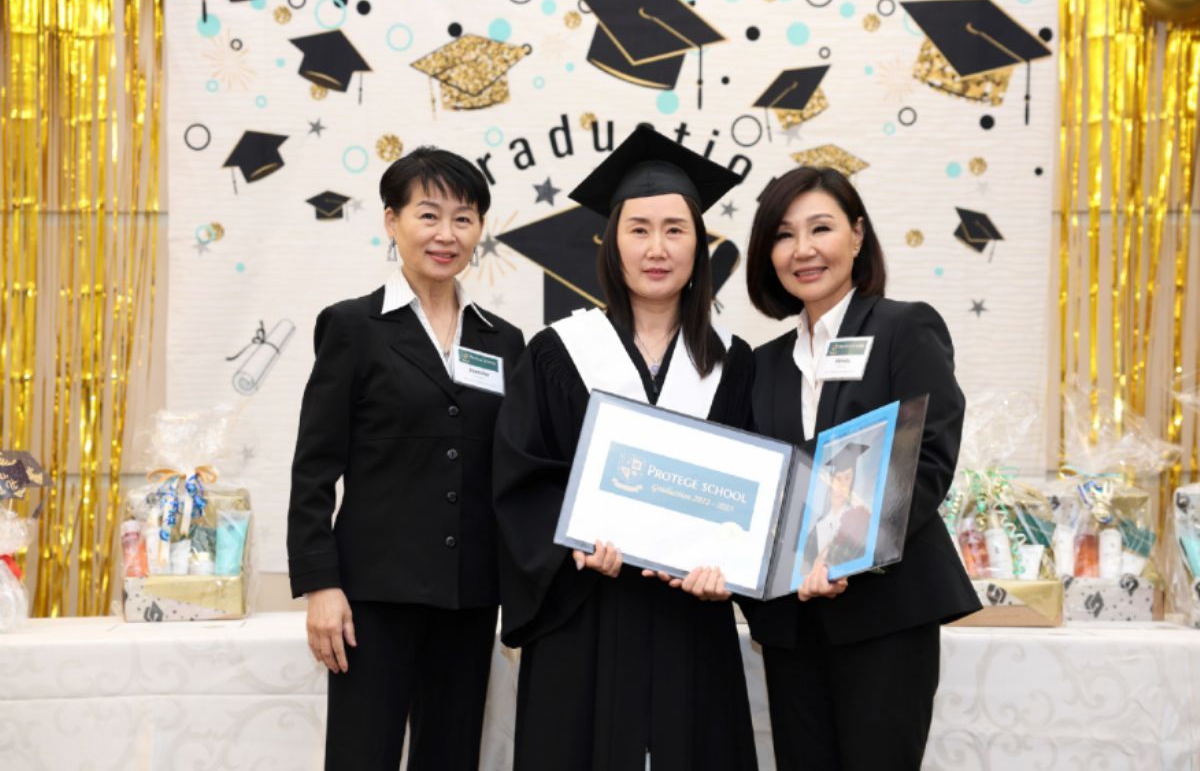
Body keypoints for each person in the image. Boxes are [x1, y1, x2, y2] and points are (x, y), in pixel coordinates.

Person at [492, 125, 758, 771]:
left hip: (692, 618)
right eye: (638, 229)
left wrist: (728, 567)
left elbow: (756, 496)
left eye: (675, 229)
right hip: (585, 615)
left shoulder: (736, 364)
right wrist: (573, 544)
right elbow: (519, 478)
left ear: (700, 245)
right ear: (612, 244)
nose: (656, 248)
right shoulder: (557, 353)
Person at [286, 147, 525, 770]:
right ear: (392, 221)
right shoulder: (352, 327)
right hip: (372, 598)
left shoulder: (504, 341)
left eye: (464, 218)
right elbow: (314, 468)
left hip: (470, 595)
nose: (447, 234)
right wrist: (320, 585)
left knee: (451, 757)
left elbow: (513, 469)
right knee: (362, 757)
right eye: (429, 215)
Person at [743, 166, 981, 770]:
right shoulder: (763, 365)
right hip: (792, 621)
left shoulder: (903, 327)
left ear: (856, 235)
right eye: (784, 235)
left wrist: (845, 551)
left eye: (820, 228)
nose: (803, 250)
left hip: (885, 612)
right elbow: (759, 483)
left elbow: (929, 455)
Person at [802, 442, 872, 569]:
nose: (841, 486)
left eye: (847, 478)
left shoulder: (858, 522)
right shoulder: (815, 529)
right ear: (831, 481)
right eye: (838, 478)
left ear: (852, 482)